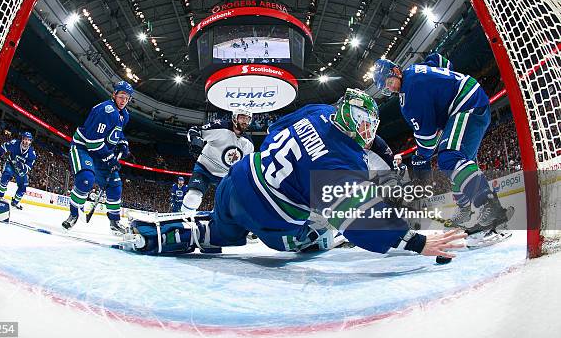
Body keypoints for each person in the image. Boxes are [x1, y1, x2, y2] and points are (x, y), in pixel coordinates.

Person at [126, 88, 465, 257]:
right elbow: (359, 220)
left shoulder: (319, 110)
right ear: (352, 121)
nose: (368, 132)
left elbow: (277, 131)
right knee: (319, 235)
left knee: (219, 231)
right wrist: (417, 242)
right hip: (275, 219)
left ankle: (160, 235)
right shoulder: (341, 160)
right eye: (365, 125)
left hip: (239, 180)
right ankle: (290, 232)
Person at [372, 54, 510, 231]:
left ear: (396, 71)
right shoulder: (415, 71)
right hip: (469, 100)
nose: (389, 88)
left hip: (467, 104)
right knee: (458, 166)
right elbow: (439, 60)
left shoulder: (411, 94)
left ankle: (490, 207)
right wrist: (444, 88)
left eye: (388, 82)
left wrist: (422, 157)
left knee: (449, 158)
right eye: (385, 88)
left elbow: (428, 137)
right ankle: (466, 210)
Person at [62, 81, 132, 234]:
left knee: (115, 186)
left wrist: (122, 142)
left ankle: (114, 222)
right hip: (84, 148)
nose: (123, 101)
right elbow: (93, 143)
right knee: (86, 179)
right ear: (114, 95)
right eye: (121, 96)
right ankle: (73, 215)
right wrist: (110, 158)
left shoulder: (124, 115)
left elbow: (116, 132)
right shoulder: (106, 111)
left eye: (126, 98)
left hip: (101, 152)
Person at [181, 108, 254, 214]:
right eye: (242, 117)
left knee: (229, 207)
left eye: (247, 119)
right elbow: (195, 130)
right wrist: (195, 140)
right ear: (234, 118)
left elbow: (245, 166)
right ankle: (183, 221)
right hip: (205, 168)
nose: (245, 121)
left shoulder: (248, 144)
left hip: (225, 176)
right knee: (193, 197)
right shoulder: (220, 127)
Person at [0, 131, 36, 209]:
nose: (26, 141)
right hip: (11, 165)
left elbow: (28, 168)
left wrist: (21, 166)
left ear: (30, 142)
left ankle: (15, 202)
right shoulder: (14, 143)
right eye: (25, 139)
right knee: (5, 177)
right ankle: (0, 197)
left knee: (23, 187)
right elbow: (4, 147)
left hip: (21, 172)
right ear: (22, 139)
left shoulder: (32, 153)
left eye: (28, 140)